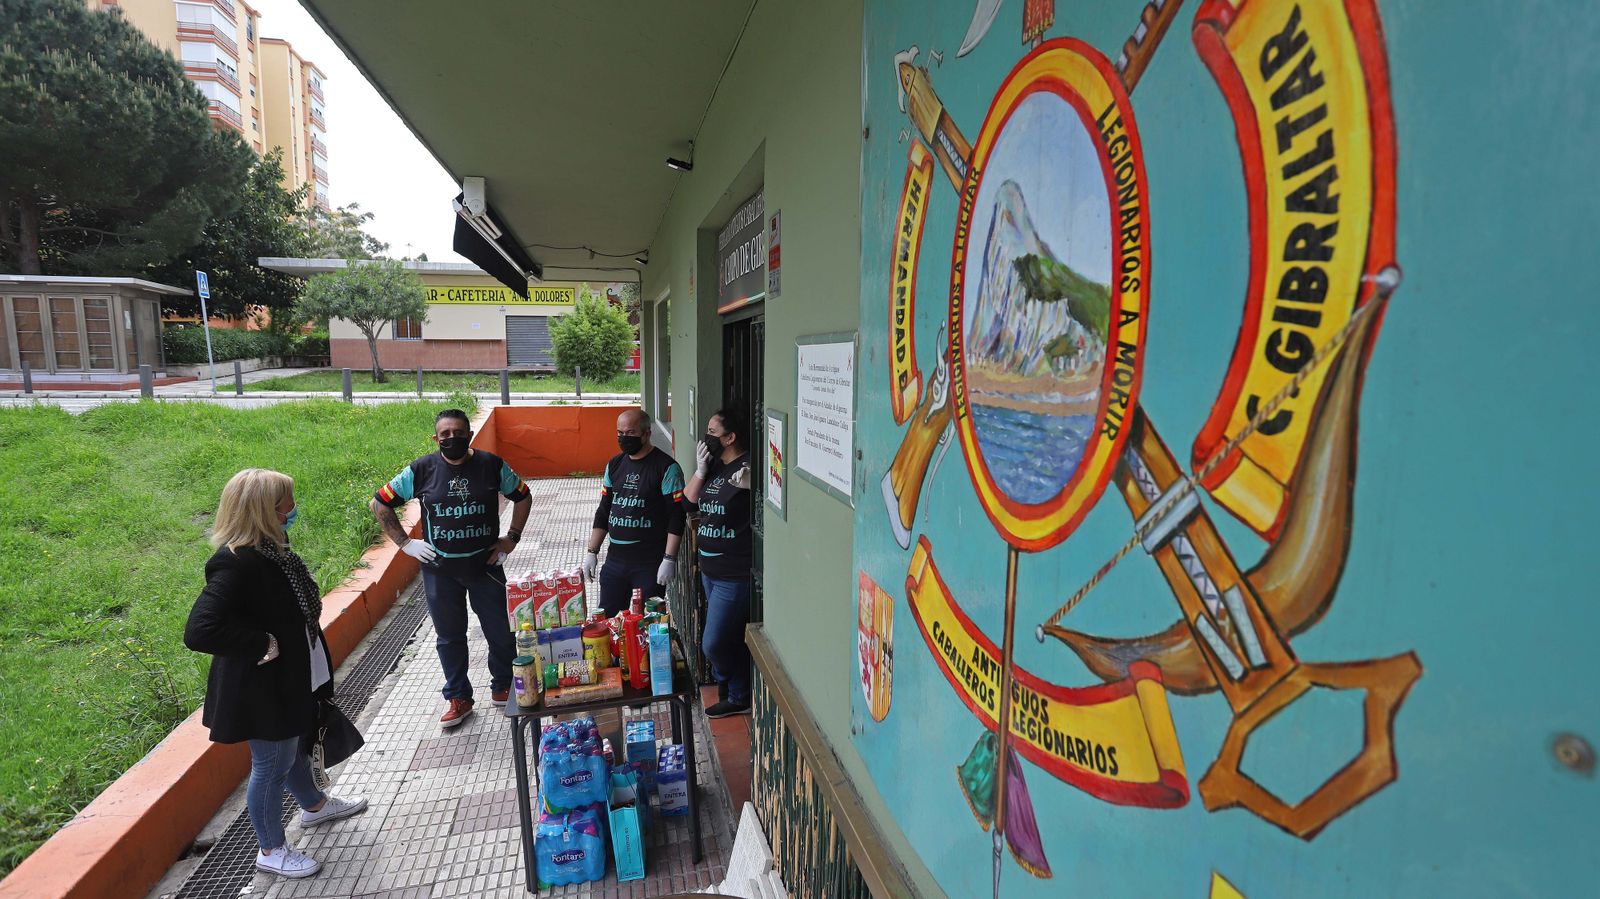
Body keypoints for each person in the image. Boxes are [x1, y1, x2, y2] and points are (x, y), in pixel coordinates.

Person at [184, 469, 368, 880]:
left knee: (291, 748)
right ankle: (270, 849)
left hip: (289, 679)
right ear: (264, 511)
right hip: (260, 691)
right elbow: (199, 630)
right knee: (271, 765)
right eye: (286, 502)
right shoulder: (236, 563)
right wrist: (263, 643)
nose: (293, 508)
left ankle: (314, 806)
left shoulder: (272, 551)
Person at [370, 408, 532, 727]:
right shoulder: (421, 470)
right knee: (449, 637)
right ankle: (458, 697)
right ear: (435, 438)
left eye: (458, 433)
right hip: (440, 570)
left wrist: (511, 538)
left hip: (485, 566)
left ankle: (502, 686)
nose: (452, 438)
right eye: (445, 434)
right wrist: (405, 543)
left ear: (469, 435)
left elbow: (523, 496)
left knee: (501, 630)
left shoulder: (491, 465)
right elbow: (380, 502)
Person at [682, 409, 754, 718]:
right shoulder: (715, 467)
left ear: (730, 437)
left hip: (733, 574)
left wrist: (752, 482)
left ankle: (738, 694)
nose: (706, 437)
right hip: (709, 571)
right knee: (725, 637)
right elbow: (687, 502)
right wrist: (700, 470)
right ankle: (735, 686)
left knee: (713, 643)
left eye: (712, 432)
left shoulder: (746, 467)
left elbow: (764, 490)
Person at [582, 409, 686, 615]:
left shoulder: (666, 468)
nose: (623, 438)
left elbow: (677, 516)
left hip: (649, 563)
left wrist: (669, 559)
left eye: (630, 433)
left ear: (646, 433)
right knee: (609, 621)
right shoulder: (614, 465)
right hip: (615, 562)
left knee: (648, 626)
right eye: (619, 433)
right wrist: (591, 552)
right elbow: (604, 510)